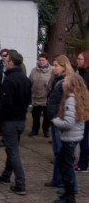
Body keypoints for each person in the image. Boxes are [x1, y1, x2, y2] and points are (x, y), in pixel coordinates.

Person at [0, 50, 31, 196]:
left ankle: (20, 184)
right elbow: (28, 100)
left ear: (11, 63)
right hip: (21, 120)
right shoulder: (25, 79)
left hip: (10, 121)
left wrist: (2, 121)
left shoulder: (9, 80)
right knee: (11, 149)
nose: (4, 63)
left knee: (13, 151)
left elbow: (5, 103)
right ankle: (6, 175)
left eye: (6, 60)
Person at [52, 73, 89, 203]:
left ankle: (70, 196)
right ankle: (68, 192)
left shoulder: (71, 100)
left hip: (69, 139)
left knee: (66, 167)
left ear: (71, 85)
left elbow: (68, 123)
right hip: (75, 137)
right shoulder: (80, 97)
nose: (63, 83)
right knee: (63, 164)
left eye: (65, 81)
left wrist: (56, 121)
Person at [45, 55, 78, 191]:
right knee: (58, 152)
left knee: (63, 153)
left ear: (64, 67)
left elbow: (67, 103)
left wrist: (58, 118)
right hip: (55, 120)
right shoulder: (57, 79)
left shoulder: (66, 81)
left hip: (60, 122)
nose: (53, 67)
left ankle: (71, 186)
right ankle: (57, 179)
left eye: (56, 65)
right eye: (53, 65)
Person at [28, 52, 52, 137]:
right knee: (35, 116)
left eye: (43, 60)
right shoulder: (34, 70)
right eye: (39, 60)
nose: (41, 61)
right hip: (35, 97)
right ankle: (35, 130)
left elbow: (53, 83)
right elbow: (29, 82)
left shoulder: (52, 70)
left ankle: (46, 130)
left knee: (46, 116)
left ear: (47, 60)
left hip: (46, 98)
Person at [75, 51, 89, 172]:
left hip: (85, 111)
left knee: (84, 138)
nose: (77, 61)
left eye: (80, 59)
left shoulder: (86, 77)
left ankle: (83, 164)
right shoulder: (82, 74)